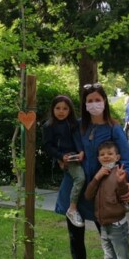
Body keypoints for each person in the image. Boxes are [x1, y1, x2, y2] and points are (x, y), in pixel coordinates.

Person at [54, 83, 129, 259]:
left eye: (97, 100)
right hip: (74, 191)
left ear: (105, 102)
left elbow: (128, 160)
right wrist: (60, 159)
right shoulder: (76, 126)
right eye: (89, 101)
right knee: (75, 238)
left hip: (103, 195)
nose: (93, 104)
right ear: (84, 104)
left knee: (110, 239)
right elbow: (59, 146)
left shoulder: (113, 128)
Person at [83, 140, 129, 259]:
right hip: (104, 225)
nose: (106, 157)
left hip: (118, 226)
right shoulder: (99, 175)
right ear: (98, 158)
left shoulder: (120, 174)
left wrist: (121, 182)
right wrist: (97, 177)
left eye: (110, 154)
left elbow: (124, 194)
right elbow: (88, 195)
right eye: (102, 154)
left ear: (117, 157)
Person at [42, 95, 86, 227]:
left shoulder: (73, 124)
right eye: (58, 108)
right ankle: (72, 208)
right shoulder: (49, 126)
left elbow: (78, 139)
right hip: (65, 158)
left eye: (65, 108)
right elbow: (48, 146)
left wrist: (81, 151)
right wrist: (61, 157)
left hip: (78, 156)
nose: (61, 111)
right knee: (80, 178)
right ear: (52, 109)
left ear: (70, 110)